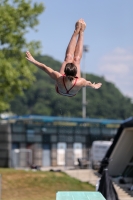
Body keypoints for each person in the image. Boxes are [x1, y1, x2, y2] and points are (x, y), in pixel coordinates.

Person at [26, 19, 102, 97]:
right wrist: (93, 86)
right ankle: (80, 32)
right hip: (70, 89)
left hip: (62, 89)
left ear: (64, 73)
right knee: (75, 60)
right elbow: (88, 84)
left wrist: (33, 61)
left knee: (69, 58)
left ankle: (79, 32)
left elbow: (45, 68)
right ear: (76, 74)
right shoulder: (80, 81)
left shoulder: (59, 77)